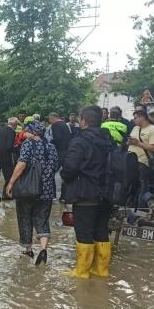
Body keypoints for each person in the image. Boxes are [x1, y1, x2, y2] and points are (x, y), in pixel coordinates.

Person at [61, 106, 114, 279]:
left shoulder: (80, 140)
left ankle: (82, 272)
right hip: (106, 194)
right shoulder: (109, 139)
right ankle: (101, 270)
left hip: (85, 193)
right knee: (101, 231)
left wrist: (64, 175)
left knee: (84, 232)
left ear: (83, 121)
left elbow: (70, 168)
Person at [5, 121, 58, 265]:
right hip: (47, 191)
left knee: (25, 218)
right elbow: (55, 167)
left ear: (32, 132)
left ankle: (28, 250)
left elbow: (22, 164)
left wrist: (10, 183)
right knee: (42, 220)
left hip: (28, 190)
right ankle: (43, 249)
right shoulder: (52, 147)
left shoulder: (28, 144)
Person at [127, 110, 154, 208]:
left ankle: (141, 207)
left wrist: (138, 143)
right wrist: (129, 142)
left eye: (136, 117)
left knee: (142, 187)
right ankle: (131, 206)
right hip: (130, 161)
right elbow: (131, 142)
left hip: (142, 162)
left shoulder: (153, 130)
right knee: (131, 186)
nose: (134, 120)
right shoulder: (135, 128)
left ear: (143, 117)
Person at [0, 117, 17, 201]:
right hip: (5, 156)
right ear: (14, 124)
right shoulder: (12, 132)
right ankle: (5, 195)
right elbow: (9, 147)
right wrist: (17, 149)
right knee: (8, 175)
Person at [48, 112, 72, 201]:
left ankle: (52, 194)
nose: (50, 122)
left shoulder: (55, 126)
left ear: (53, 118)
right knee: (65, 174)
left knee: (51, 172)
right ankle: (64, 196)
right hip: (67, 151)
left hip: (59, 152)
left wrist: (49, 143)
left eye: (50, 120)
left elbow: (57, 138)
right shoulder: (65, 125)